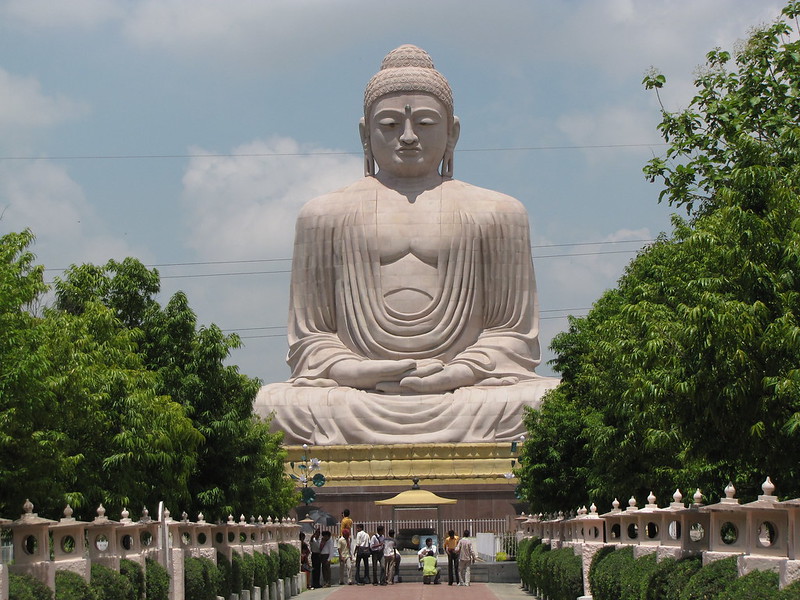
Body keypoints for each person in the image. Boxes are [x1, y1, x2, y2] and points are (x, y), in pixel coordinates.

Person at [254, 44, 559, 445]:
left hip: (463, 392)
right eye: (390, 124)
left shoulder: (499, 212)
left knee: (547, 401)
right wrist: (362, 371)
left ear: (453, 132)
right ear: (365, 134)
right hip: (360, 394)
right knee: (272, 407)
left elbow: (511, 335)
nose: (409, 137)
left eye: (427, 123)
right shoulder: (323, 215)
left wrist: (457, 373)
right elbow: (311, 338)